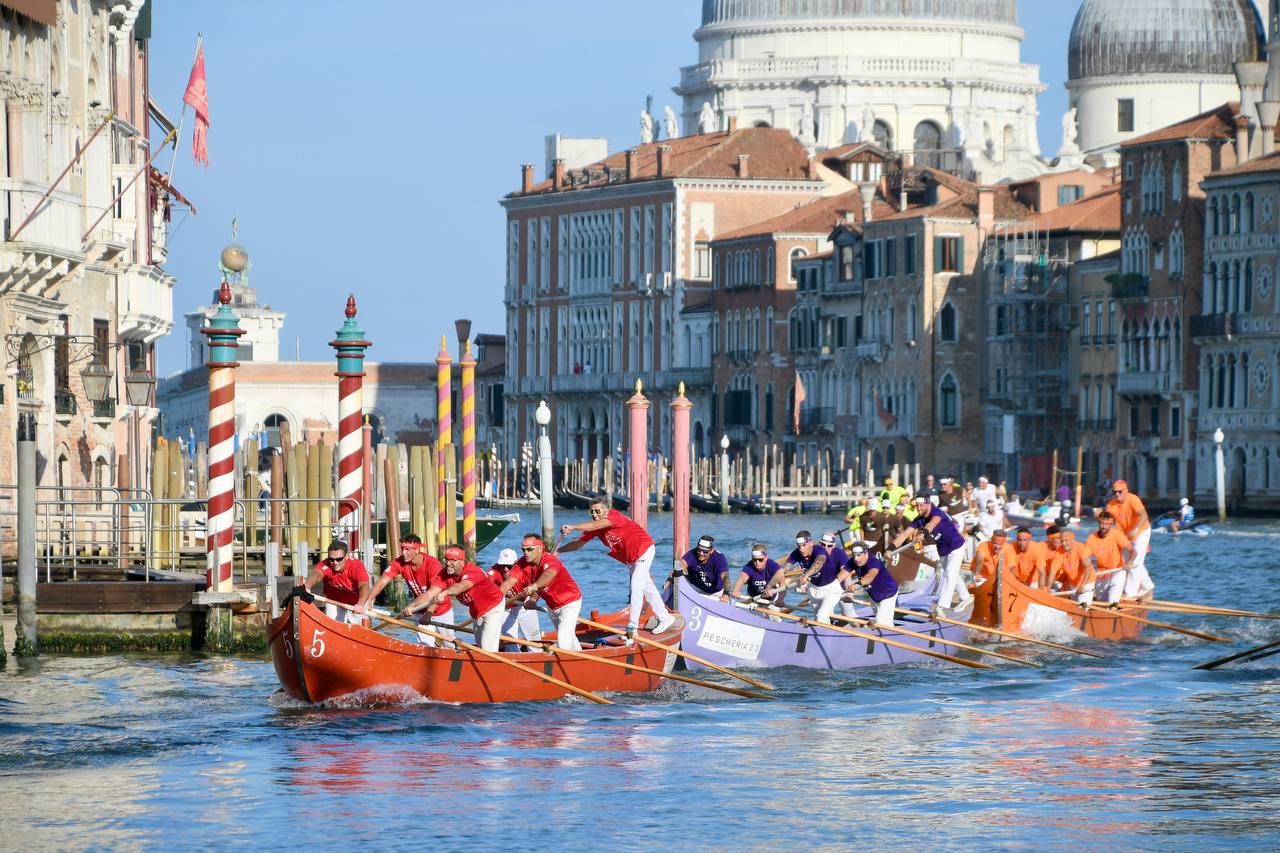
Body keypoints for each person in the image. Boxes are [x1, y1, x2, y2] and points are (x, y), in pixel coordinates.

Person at [558, 498, 675, 638]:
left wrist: (573, 527)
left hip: (644, 549)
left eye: (597, 511)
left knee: (636, 586)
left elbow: (597, 525)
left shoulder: (614, 516)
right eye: (592, 511)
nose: (594, 514)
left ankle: (632, 626)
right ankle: (665, 617)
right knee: (647, 587)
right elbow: (577, 544)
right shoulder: (595, 526)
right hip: (631, 557)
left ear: (606, 511)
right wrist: (558, 552)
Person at [403, 545, 506, 652]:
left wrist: (445, 592)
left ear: (462, 561)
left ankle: (489, 666)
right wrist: (411, 607)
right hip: (476, 611)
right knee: (480, 646)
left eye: (453, 560)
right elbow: (430, 594)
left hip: (493, 608)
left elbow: (460, 587)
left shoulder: (472, 571)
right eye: (446, 559)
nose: (448, 563)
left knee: (487, 649)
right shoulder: (444, 574)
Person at [361, 533, 454, 646]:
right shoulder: (399, 562)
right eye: (402, 549)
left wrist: (429, 612)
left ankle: (445, 646)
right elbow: (382, 581)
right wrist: (369, 600)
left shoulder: (432, 564)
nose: (404, 553)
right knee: (425, 645)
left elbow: (435, 592)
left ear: (417, 549)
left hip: (440, 609)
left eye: (407, 549)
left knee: (449, 644)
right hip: (419, 609)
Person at [894, 494, 972, 612]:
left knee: (949, 575)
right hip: (942, 550)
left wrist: (922, 534)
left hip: (956, 546)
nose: (918, 508)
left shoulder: (937, 513)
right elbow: (904, 534)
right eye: (916, 505)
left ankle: (942, 606)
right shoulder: (919, 519)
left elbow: (931, 525)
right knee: (952, 575)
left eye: (920, 505)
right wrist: (890, 549)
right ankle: (966, 597)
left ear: (928, 504)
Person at [508, 533, 583, 650]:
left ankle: (565, 662)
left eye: (529, 549)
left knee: (563, 642)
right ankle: (581, 660)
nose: (526, 552)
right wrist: (532, 599)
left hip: (569, 602)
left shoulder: (551, 560)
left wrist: (533, 587)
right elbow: (508, 583)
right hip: (552, 605)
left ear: (540, 549)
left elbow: (548, 576)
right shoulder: (522, 563)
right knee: (569, 637)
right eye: (523, 550)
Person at [1105, 479, 1153, 599]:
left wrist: (1136, 530)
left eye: (1120, 492)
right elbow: (1107, 524)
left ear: (1126, 491)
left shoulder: (1133, 499)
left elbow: (1144, 515)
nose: (1117, 494)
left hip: (1142, 530)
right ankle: (1147, 587)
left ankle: (1130, 593)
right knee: (1130, 561)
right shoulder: (1111, 505)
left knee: (1134, 561)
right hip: (1126, 535)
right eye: (1114, 492)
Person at [786, 531, 848, 624]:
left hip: (831, 589)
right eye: (799, 546)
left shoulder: (820, 551)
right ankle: (828, 632)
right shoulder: (796, 553)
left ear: (811, 543)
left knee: (821, 616)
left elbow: (818, 564)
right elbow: (783, 569)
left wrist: (806, 575)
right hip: (813, 590)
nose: (801, 549)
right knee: (818, 618)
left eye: (804, 545)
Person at [488, 547, 543, 651]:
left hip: (525, 605)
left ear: (515, 564)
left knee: (533, 639)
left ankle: (538, 655)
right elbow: (483, 585)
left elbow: (537, 588)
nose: (505, 569)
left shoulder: (525, 571)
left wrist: (533, 600)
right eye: (502, 566)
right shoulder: (493, 571)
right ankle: (513, 657)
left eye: (508, 566)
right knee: (509, 640)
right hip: (506, 608)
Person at [304, 539, 371, 625]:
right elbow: (316, 574)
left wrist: (360, 604)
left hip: (357, 603)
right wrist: (307, 586)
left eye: (339, 559)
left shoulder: (356, 566)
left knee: (362, 631)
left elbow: (364, 585)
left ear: (346, 556)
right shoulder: (325, 564)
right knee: (331, 626)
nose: (335, 563)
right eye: (331, 559)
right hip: (334, 602)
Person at [1083, 511, 1134, 605]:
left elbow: (1132, 551)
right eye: (1102, 523)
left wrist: (1129, 561)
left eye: (1107, 524)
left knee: (1112, 604)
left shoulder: (1117, 535)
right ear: (1098, 523)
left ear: (1111, 524)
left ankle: (1114, 605)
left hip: (1117, 572)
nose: (1104, 527)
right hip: (1101, 574)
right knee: (1102, 604)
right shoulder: (1091, 538)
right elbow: (1084, 558)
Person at [846, 540, 898, 627]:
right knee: (885, 623)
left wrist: (855, 586)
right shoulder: (854, 561)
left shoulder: (874, 562)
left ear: (865, 553)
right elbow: (843, 573)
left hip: (888, 593)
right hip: (874, 596)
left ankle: (884, 635)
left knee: (880, 623)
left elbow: (869, 577)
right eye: (854, 555)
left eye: (858, 555)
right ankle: (887, 632)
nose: (855, 558)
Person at [1045, 526, 1095, 605]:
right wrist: (1047, 588)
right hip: (1072, 585)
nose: (1064, 544)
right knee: (1072, 607)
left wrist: (1083, 584)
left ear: (1072, 539)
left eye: (1066, 541)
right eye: (1062, 541)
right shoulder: (1059, 551)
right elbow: (1053, 572)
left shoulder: (1081, 549)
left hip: (1086, 583)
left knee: (1081, 608)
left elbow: (1088, 568)